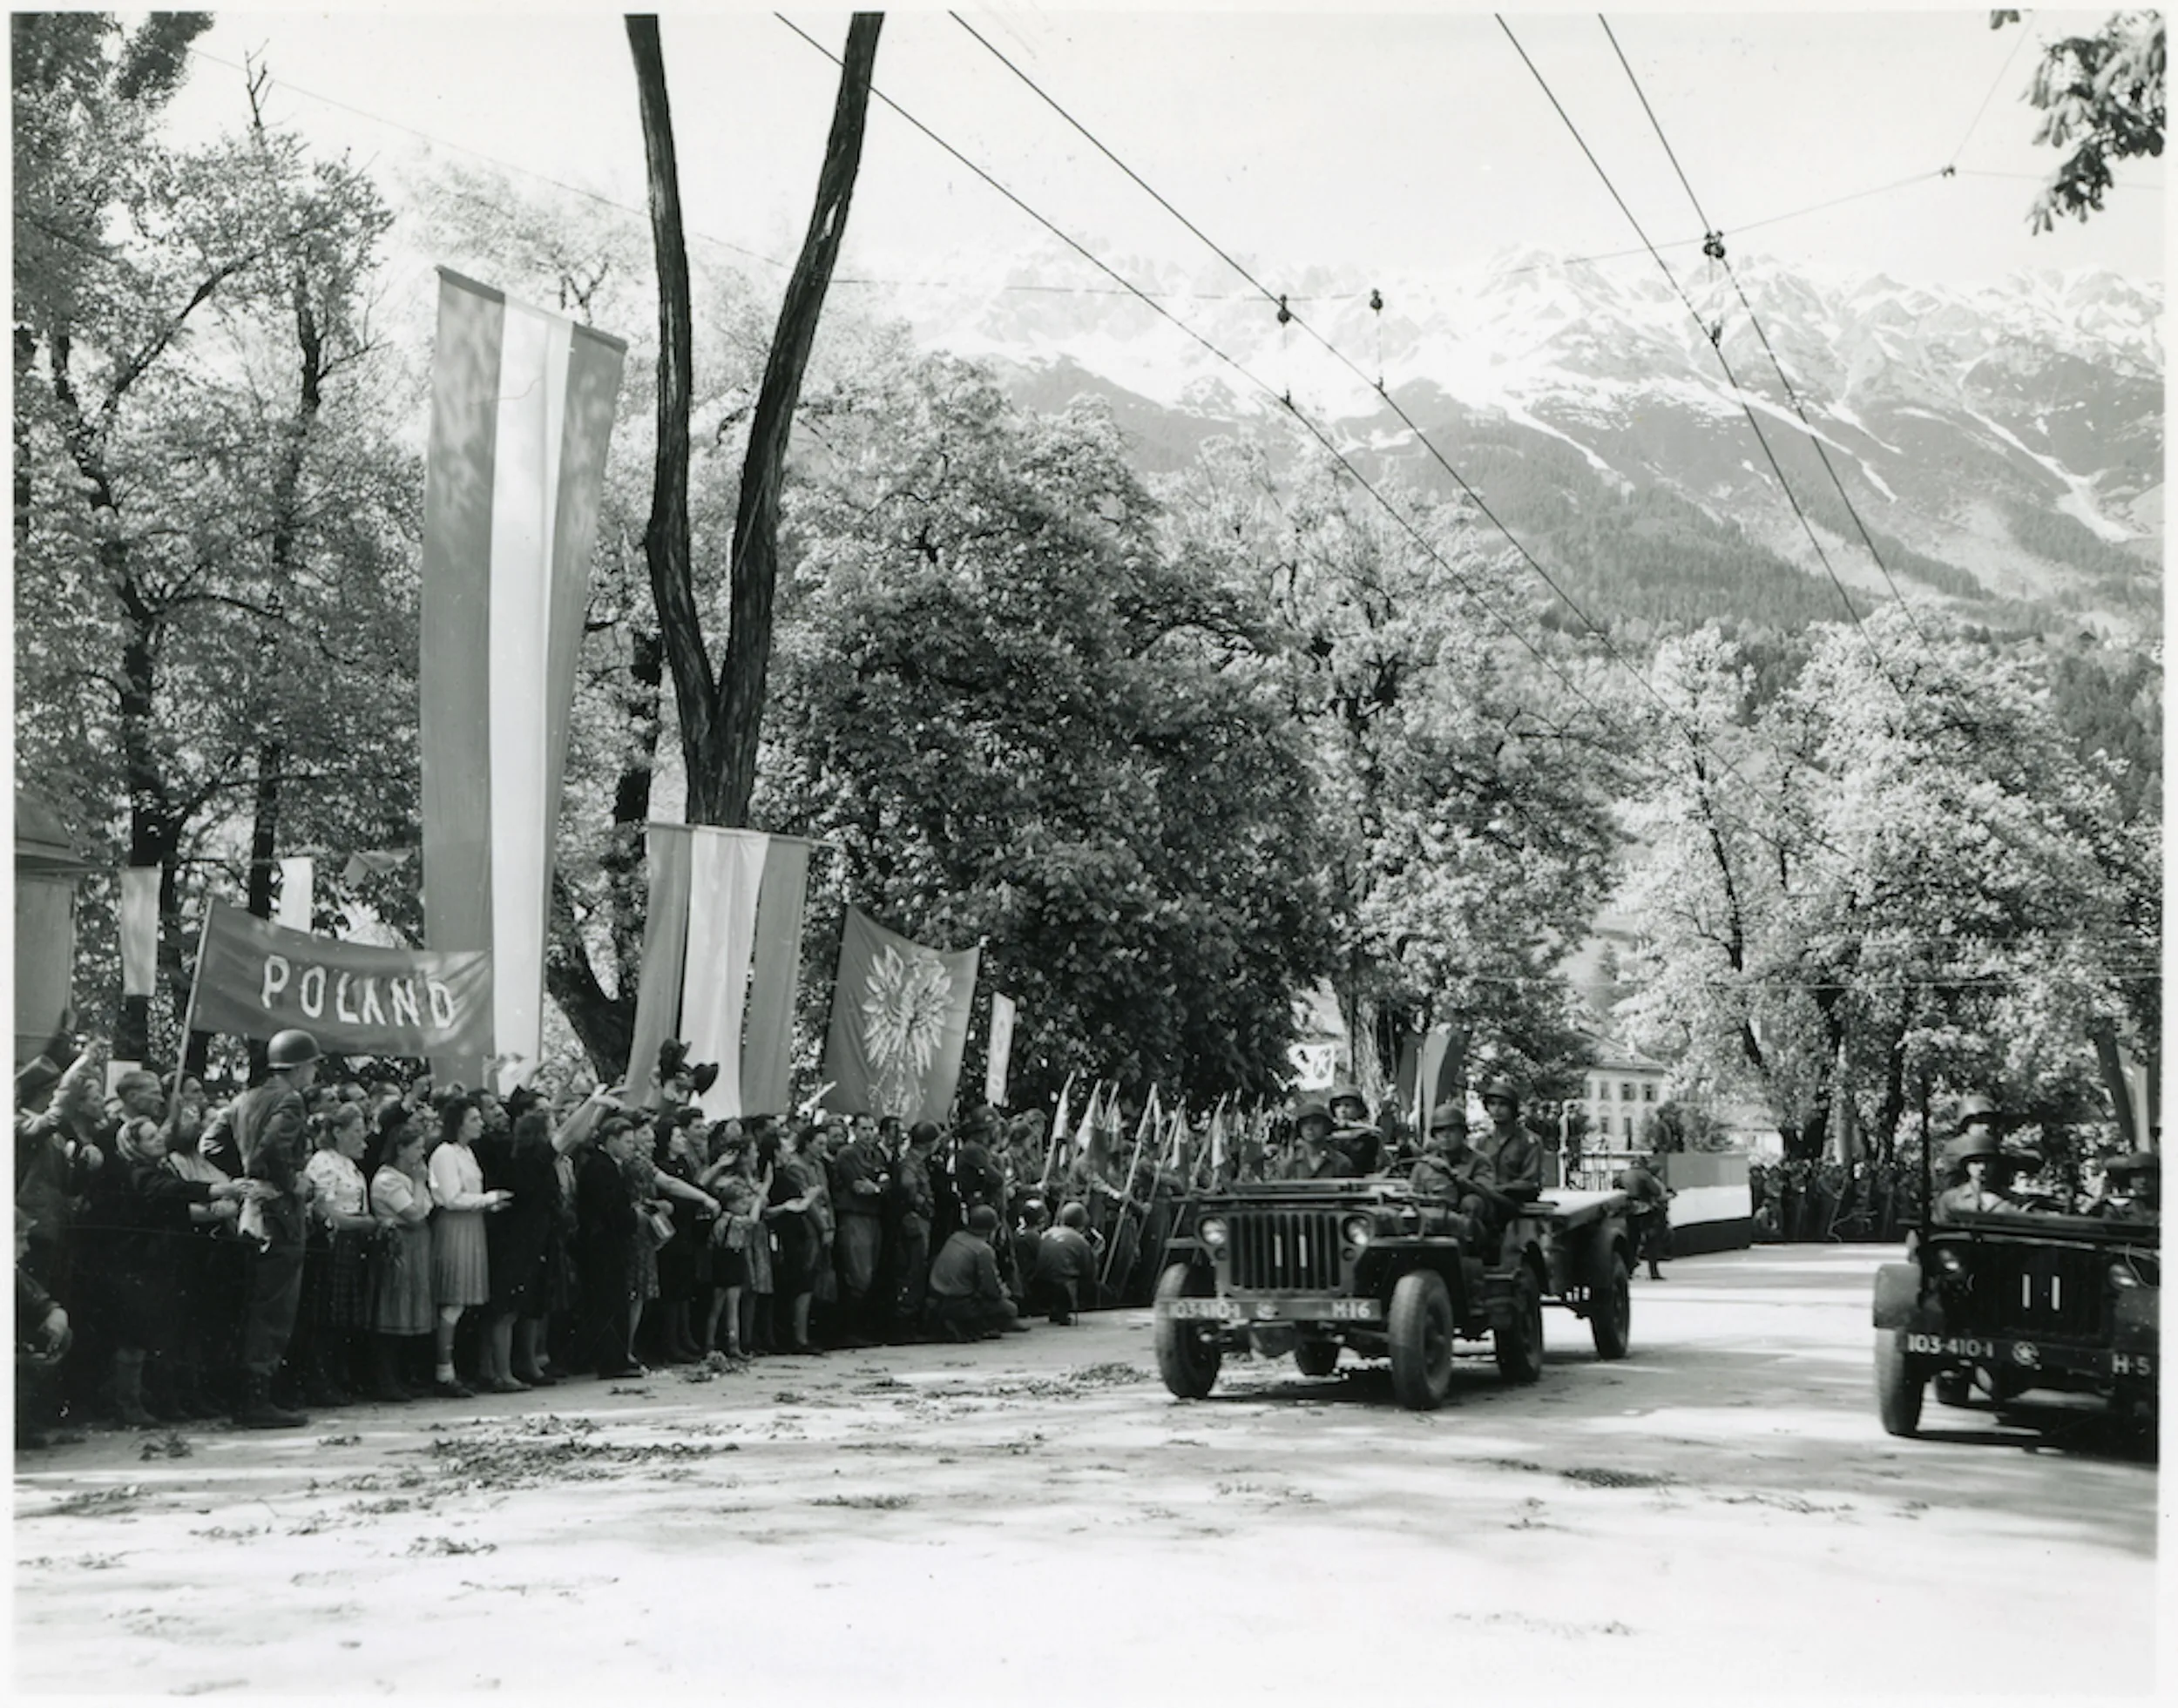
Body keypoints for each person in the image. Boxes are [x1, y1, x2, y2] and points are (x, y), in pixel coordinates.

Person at [228, 1028, 324, 1428]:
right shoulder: (290, 1100)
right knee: (276, 1309)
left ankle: (251, 1397)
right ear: (299, 1067)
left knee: (258, 1303)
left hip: (254, 1210)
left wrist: (247, 1180)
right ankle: (256, 1401)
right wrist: (289, 1182)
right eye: (313, 1066)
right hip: (281, 1213)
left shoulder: (245, 1099)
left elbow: (213, 1145)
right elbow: (272, 1148)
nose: (315, 1073)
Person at [427, 1096, 511, 1397]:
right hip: (454, 1227)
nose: (480, 1124)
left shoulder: (467, 1152)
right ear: (458, 1122)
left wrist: (488, 1204)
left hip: (471, 1224)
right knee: (452, 1301)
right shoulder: (445, 1153)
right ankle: (443, 1372)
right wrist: (488, 1199)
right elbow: (450, 1197)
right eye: (474, 1119)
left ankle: (455, 1369)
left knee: (463, 1302)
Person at [364, 1110, 434, 1402]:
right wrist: (419, 1185)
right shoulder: (388, 1179)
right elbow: (416, 1213)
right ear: (401, 1150)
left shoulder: (406, 1177)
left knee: (411, 1310)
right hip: (398, 1246)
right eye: (417, 1148)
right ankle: (385, 1380)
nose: (421, 1154)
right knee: (393, 1311)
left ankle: (404, 1376)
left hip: (416, 1244)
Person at [572, 1118, 644, 1378]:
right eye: (627, 1142)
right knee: (608, 1303)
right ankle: (611, 1362)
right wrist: (634, 1216)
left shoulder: (606, 1166)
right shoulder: (601, 1168)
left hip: (605, 1245)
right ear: (611, 1140)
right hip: (602, 1246)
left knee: (611, 1301)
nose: (630, 1148)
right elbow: (610, 1211)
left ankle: (614, 1358)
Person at [763, 1124, 825, 1355]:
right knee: (798, 1286)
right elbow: (794, 1206)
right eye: (782, 1148)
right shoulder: (780, 1177)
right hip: (786, 1236)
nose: (786, 1151)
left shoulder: (780, 1175)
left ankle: (793, 1337)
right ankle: (797, 1339)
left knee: (799, 1285)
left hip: (793, 1234)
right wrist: (810, 1198)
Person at [925, 1205, 1027, 1341]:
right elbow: (991, 1290)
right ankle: (975, 1327)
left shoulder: (955, 1237)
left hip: (935, 1297)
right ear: (992, 1229)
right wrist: (1007, 1292)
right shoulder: (983, 1250)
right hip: (960, 1302)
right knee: (1009, 1309)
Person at [1026, 1202, 1099, 1325]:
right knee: (1094, 1286)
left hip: (1039, 1285)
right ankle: (1065, 1311)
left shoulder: (1048, 1233)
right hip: (1064, 1288)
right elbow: (1088, 1271)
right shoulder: (1080, 1241)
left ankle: (1055, 1310)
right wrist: (1095, 1254)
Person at [1475, 1077, 1543, 1195]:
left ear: (1512, 1108)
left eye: (1503, 1105)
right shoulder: (1482, 1141)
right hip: (1486, 1196)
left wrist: (1501, 1189)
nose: (1496, 1109)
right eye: (1492, 1104)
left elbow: (1530, 1181)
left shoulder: (1529, 1141)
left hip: (1516, 1199)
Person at [1933, 1126, 2019, 1220]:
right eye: (1976, 1162)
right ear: (1966, 1165)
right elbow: (1938, 1230)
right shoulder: (1950, 1199)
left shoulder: (2010, 1200)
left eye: (1987, 1162)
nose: (1982, 1167)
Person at [1615, 1154, 1674, 1279]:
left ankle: (1628, 1272)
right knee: (1652, 1241)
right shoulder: (1644, 1174)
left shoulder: (1624, 1174)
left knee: (1632, 1241)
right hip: (1645, 1210)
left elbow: (1616, 1186)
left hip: (1629, 1210)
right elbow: (1656, 1191)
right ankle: (1654, 1272)